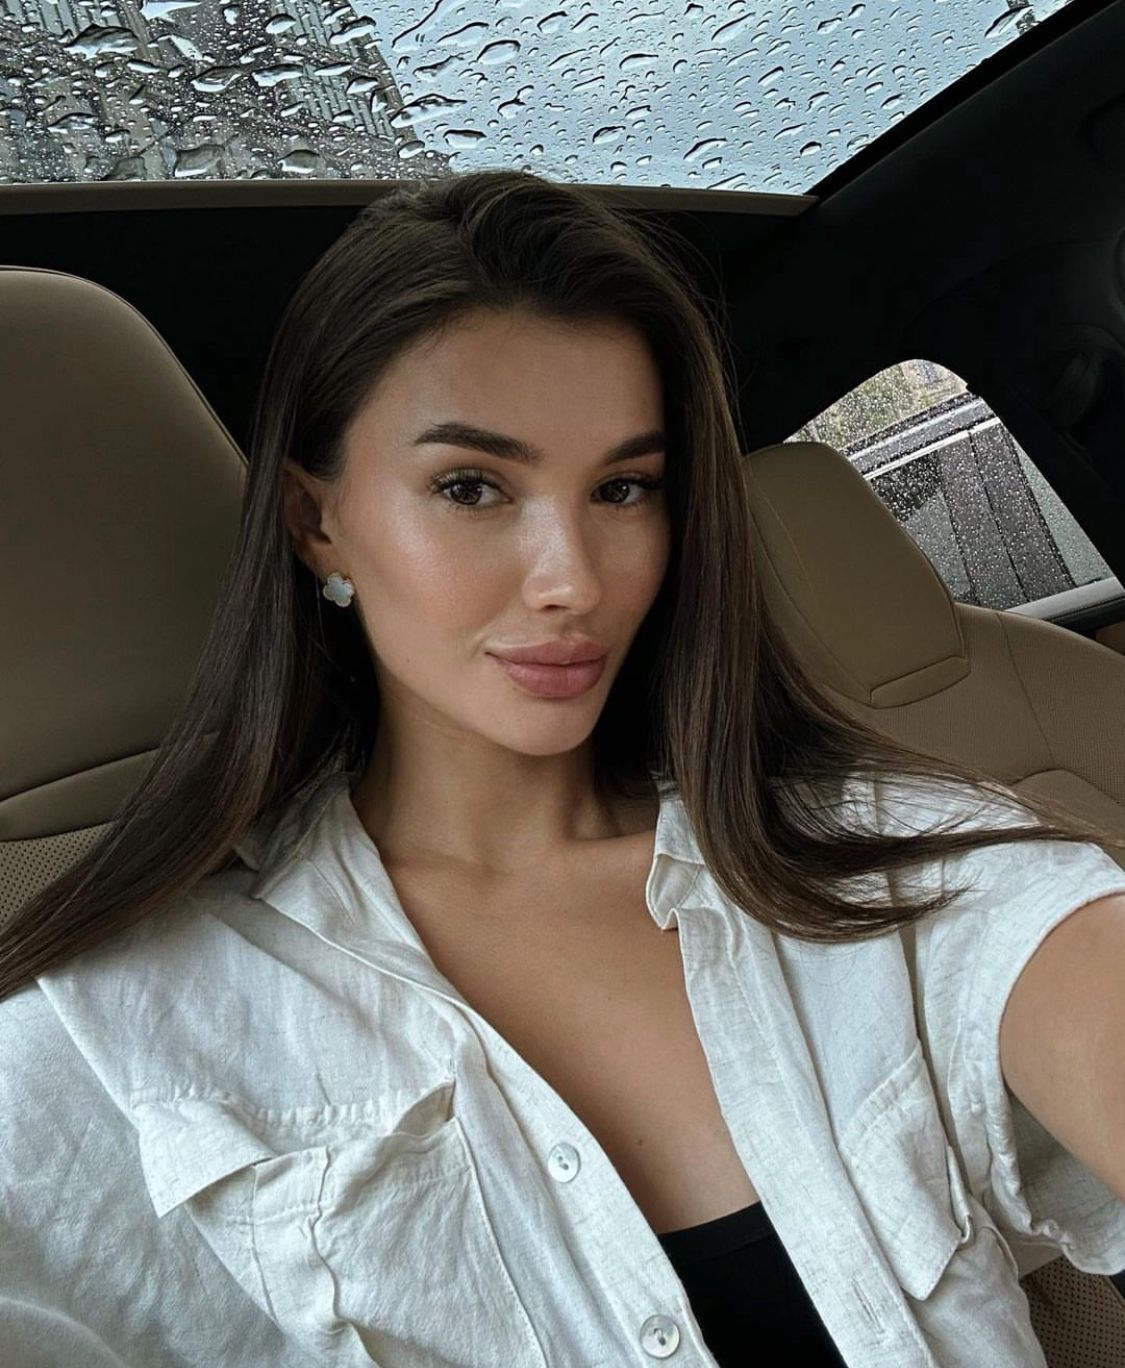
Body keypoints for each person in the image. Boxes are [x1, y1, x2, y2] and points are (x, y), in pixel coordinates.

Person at [3, 168, 1125, 1368]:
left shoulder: (881, 861)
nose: (573, 579)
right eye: (471, 487)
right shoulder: (129, 1032)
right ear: (316, 522)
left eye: (623, 488)